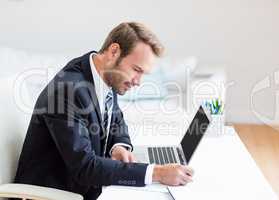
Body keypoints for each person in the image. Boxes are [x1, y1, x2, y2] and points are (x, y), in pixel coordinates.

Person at [14, 22, 194, 200]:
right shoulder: (67, 90)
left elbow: (116, 120)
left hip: (85, 188)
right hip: (54, 194)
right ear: (114, 51)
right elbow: (85, 168)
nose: (138, 81)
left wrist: (119, 146)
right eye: (136, 69)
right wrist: (158, 172)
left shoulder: (104, 76)